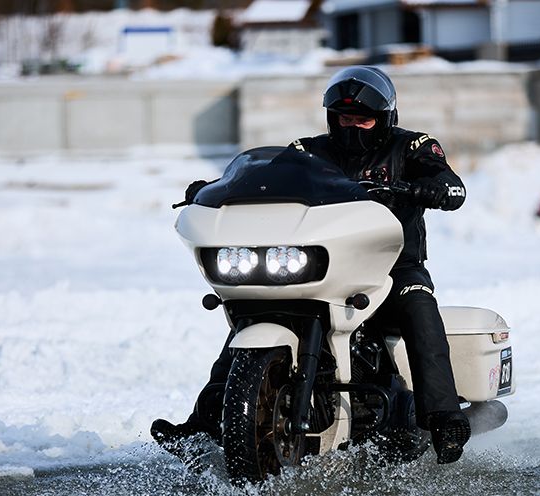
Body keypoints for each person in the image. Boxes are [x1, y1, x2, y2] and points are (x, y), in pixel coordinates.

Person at [152, 65, 471, 464]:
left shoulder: (411, 147)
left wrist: (433, 187)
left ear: (386, 117)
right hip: (323, 264)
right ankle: (202, 422)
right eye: (344, 118)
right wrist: (215, 190)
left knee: (418, 305)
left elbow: (452, 184)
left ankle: (444, 419)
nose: (353, 126)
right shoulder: (306, 153)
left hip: (388, 268)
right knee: (250, 315)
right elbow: (263, 179)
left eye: (364, 118)